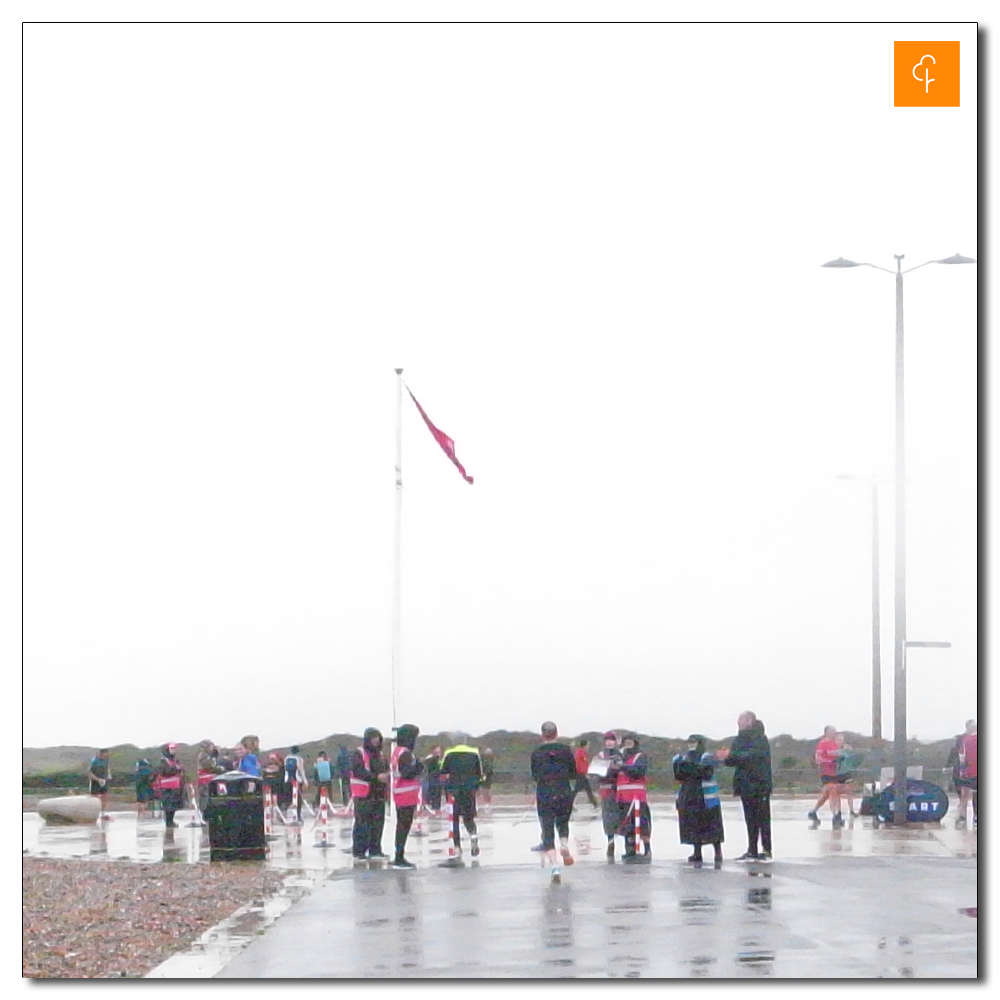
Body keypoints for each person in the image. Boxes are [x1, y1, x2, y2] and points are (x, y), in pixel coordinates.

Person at [717, 711, 773, 862]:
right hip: (745, 783)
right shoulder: (738, 739)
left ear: (750, 721)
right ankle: (752, 850)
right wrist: (726, 757)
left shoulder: (760, 738)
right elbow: (734, 761)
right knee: (750, 818)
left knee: (763, 818)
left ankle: (767, 850)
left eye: (741, 720)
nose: (738, 722)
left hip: (760, 783)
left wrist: (733, 755)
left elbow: (753, 756)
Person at [530, 722, 577, 884]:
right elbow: (573, 771)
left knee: (547, 828)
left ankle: (555, 866)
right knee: (563, 823)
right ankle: (564, 844)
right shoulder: (565, 750)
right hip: (564, 790)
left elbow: (534, 774)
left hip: (545, 792)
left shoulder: (536, 753)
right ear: (556, 733)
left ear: (543, 734)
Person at [673, 735, 724, 866]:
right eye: (689, 742)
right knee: (693, 825)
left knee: (712, 826)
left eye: (694, 742)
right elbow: (679, 776)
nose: (691, 745)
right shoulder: (683, 758)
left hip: (706, 797)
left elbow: (705, 773)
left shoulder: (707, 757)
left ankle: (717, 852)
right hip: (689, 795)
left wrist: (690, 768)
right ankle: (697, 852)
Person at [439, 733, 484, 862]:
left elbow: (443, 770)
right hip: (469, 789)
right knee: (468, 817)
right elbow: (479, 772)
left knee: (454, 820)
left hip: (454, 790)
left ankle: (457, 847)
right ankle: (473, 836)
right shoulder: (474, 752)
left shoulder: (449, 753)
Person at [609, 732, 652, 863]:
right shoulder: (620, 756)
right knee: (626, 825)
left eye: (630, 742)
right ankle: (629, 850)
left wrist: (622, 766)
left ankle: (646, 849)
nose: (628, 745)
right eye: (626, 742)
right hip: (622, 797)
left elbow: (638, 772)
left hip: (636, 797)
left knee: (641, 824)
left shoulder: (640, 756)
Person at [350, 727, 390, 861]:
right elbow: (358, 771)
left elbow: (386, 770)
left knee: (378, 823)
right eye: (373, 738)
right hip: (363, 794)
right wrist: (376, 777)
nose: (376, 741)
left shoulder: (382, 755)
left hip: (379, 794)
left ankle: (375, 850)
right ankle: (359, 852)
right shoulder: (359, 753)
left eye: (378, 738)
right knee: (362, 823)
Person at [389, 724, 425, 869]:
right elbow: (407, 773)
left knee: (401, 826)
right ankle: (399, 857)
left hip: (400, 792)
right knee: (404, 826)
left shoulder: (397, 751)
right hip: (406, 793)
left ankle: (399, 855)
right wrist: (419, 767)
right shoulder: (405, 753)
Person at [590, 731, 624, 859]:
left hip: (619, 790)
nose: (609, 742)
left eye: (612, 740)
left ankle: (628, 844)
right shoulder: (600, 755)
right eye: (607, 740)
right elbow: (594, 773)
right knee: (607, 817)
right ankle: (610, 842)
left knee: (621, 816)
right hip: (605, 790)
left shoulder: (620, 755)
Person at [807, 725, 845, 826]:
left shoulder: (835, 744)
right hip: (826, 772)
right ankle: (835, 815)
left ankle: (813, 811)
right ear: (827, 732)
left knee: (827, 794)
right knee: (832, 789)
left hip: (835, 772)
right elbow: (818, 759)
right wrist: (828, 761)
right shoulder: (822, 744)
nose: (835, 734)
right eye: (833, 732)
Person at [953, 719, 977, 829]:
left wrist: (962, 771)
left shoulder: (966, 740)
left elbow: (961, 757)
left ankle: (962, 817)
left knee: (965, 794)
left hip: (969, 772)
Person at [154, 743, 185, 829]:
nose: (174, 750)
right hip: (166, 787)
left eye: (174, 749)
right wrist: (176, 769)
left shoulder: (176, 760)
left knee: (174, 805)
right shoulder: (163, 761)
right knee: (168, 805)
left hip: (175, 786)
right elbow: (164, 772)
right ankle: (168, 822)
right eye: (171, 749)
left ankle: (172, 820)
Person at [284, 745, 308, 823]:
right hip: (297, 780)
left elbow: (285, 769)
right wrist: (305, 780)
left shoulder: (287, 758)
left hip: (287, 780)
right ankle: (298, 816)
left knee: (288, 798)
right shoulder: (299, 759)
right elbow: (301, 770)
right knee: (298, 799)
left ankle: (283, 814)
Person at [572, 739, 598, 808]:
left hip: (582, 774)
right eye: (587, 745)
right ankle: (594, 804)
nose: (588, 747)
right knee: (580, 790)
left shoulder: (580, 752)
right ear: (585, 746)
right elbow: (581, 764)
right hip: (581, 774)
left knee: (586, 789)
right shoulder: (581, 753)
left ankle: (594, 803)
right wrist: (584, 773)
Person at [196, 741, 221, 812]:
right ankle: (204, 812)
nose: (212, 748)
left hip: (208, 779)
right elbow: (208, 766)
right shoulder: (204, 755)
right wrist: (219, 769)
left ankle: (208, 811)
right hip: (204, 780)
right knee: (204, 797)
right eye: (211, 746)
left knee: (209, 796)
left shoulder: (207, 755)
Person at [87, 748, 112, 818]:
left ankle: (103, 813)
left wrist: (108, 776)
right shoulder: (94, 760)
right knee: (94, 798)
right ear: (102, 753)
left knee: (105, 796)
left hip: (104, 781)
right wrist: (97, 779)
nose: (107, 755)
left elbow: (107, 769)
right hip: (95, 781)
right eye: (106, 753)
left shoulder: (106, 760)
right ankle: (93, 813)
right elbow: (89, 773)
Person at [423, 746, 443, 813]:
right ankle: (429, 805)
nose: (438, 754)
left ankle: (436, 807)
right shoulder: (429, 759)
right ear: (432, 752)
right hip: (429, 780)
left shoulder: (440, 760)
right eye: (436, 752)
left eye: (439, 752)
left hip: (437, 779)